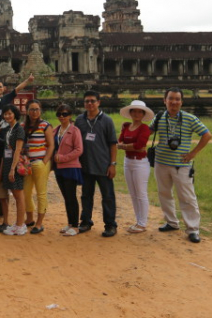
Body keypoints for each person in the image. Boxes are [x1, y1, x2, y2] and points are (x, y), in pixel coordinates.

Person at [152, 87, 212, 243]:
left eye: (177, 99)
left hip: (182, 164)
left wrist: (193, 153)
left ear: (181, 102)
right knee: (164, 194)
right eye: (170, 98)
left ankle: (193, 229)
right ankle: (171, 222)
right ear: (164, 100)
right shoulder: (159, 117)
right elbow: (147, 132)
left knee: (187, 197)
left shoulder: (189, 118)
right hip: (161, 162)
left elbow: (207, 135)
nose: (174, 102)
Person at [75, 90, 119, 237]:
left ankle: (110, 225)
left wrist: (112, 164)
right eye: (87, 101)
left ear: (98, 102)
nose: (90, 104)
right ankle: (86, 221)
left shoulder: (107, 120)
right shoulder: (80, 120)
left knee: (107, 196)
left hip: (103, 165)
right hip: (85, 165)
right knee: (86, 195)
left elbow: (113, 144)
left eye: (93, 101)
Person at [117, 100, 154, 233]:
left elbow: (140, 146)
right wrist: (126, 146)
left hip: (140, 162)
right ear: (130, 113)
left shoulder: (144, 128)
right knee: (133, 193)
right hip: (128, 161)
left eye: (140, 112)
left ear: (143, 114)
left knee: (141, 193)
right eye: (134, 111)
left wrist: (124, 146)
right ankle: (138, 221)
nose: (137, 114)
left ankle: (142, 223)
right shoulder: (127, 126)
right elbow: (119, 141)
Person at [22, 100, 55, 234]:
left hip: (40, 162)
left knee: (41, 193)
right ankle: (30, 218)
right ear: (27, 111)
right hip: (27, 163)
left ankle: (40, 222)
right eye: (31, 109)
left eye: (36, 109)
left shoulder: (45, 125)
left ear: (40, 111)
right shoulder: (23, 126)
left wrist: (45, 160)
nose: (34, 112)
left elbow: (51, 145)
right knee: (26, 192)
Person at [53, 103, 84, 236]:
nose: (62, 116)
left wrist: (64, 158)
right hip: (58, 168)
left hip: (70, 167)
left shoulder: (74, 130)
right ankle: (70, 223)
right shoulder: (56, 130)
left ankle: (75, 226)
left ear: (70, 116)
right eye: (59, 114)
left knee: (71, 196)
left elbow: (79, 150)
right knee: (66, 196)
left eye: (64, 114)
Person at [0, 105, 27, 236]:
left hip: (15, 165)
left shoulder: (19, 129)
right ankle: (17, 224)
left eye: (10, 114)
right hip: (8, 163)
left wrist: (12, 169)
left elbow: (18, 150)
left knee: (19, 196)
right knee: (15, 195)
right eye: (5, 114)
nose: (7, 116)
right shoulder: (8, 129)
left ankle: (20, 225)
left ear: (15, 114)